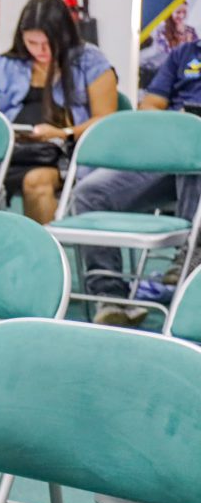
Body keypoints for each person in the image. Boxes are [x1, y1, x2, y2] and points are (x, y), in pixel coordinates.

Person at [77, 35, 201, 327]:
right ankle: (111, 297)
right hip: (168, 154)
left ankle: (190, 256)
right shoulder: (183, 54)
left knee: (196, 152)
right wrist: (179, 121)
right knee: (89, 193)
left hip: (194, 161)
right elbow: (150, 105)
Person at [0, 0, 118, 222]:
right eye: (32, 43)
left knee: (36, 182)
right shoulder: (7, 64)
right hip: (13, 151)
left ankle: (45, 241)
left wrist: (63, 133)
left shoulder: (89, 61)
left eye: (49, 43)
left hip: (64, 154)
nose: (41, 50)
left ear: (65, 36)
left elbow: (106, 120)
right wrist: (7, 132)